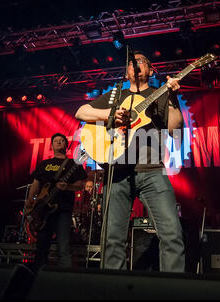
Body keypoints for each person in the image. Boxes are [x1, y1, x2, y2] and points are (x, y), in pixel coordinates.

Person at [75, 51, 185, 272]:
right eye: (131, 63)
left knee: (172, 234)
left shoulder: (160, 94)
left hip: (153, 170)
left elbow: (175, 128)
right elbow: (81, 112)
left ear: (151, 70)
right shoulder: (115, 96)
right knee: (112, 238)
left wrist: (172, 98)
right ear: (127, 72)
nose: (136, 64)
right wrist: (111, 114)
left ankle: (175, 289)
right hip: (117, 172)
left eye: (141, 61)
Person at [25, 132, 87, 272]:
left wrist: (68, 187)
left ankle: (63, 279)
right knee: (42, 246)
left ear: (66, 145)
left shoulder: (73, 164)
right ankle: (37, 277)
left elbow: (80, 185)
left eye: (61, 141)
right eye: (56, 141)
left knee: (63, 246)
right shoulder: (44, 164)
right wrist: (30, 199)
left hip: (63, 210)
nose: (59, 142)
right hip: (42, 210)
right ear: (51, 145)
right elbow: (36, 183)